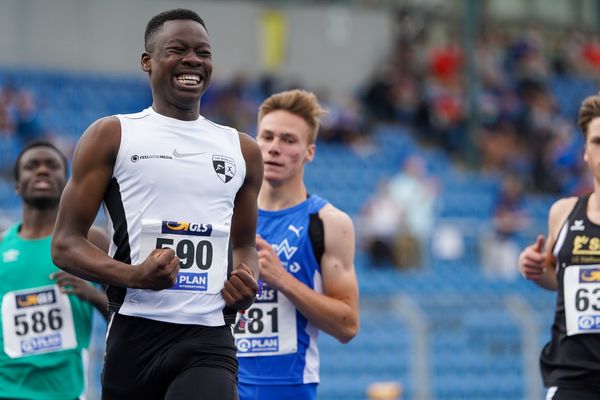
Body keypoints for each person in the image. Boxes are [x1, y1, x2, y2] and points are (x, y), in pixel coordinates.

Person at [50, 9, 263, 400]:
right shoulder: (112, 135)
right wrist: (133, 275)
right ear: (147, 62)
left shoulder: (242, 149)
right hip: (134, 333)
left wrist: (247, 280)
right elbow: (65, 243)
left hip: (208, 336)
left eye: (203, 52)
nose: (193, 61)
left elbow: (244, 245)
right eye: (177, 49)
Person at [234, 89, 359, 400]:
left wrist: (282, 280)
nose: (274, 148)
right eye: (267, 137)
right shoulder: (223, 214)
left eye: (288, 140)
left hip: (289, 390)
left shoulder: (328, 223)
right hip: (221, 381)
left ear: (309, 152)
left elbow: (348, 325)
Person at [0, 141, 108, 399]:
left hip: (67, 391)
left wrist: (93, 296)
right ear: (17, 184)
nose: (42, 171)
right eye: (32, 166)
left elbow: (129, 317)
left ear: (67, 183)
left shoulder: (92, 240)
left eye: (52, 165)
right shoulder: (2, 245)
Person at [519, 94, 600, 400]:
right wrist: (535, 267)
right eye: (598, 141)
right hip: (573, 379)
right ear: (585, 152)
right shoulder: (563, 213)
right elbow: (557, 277)